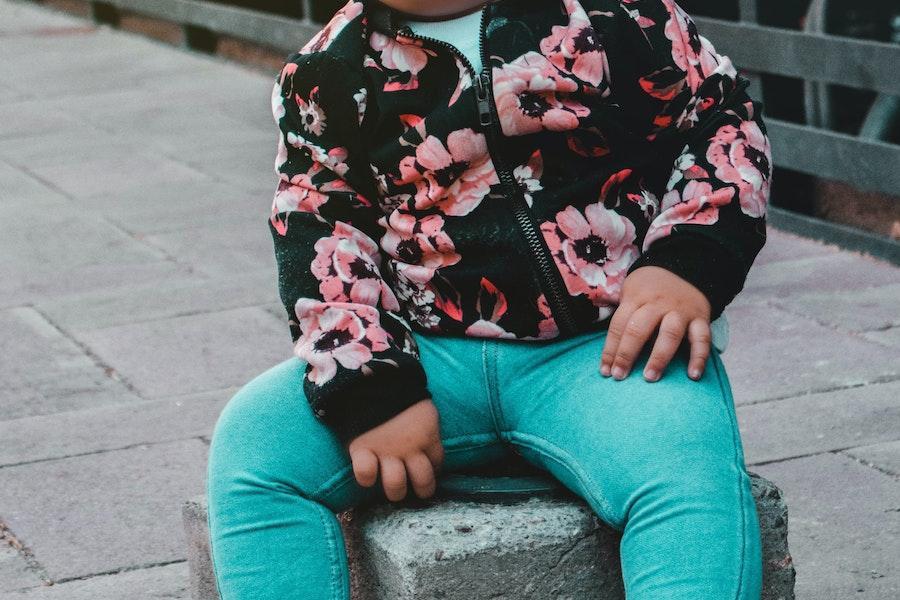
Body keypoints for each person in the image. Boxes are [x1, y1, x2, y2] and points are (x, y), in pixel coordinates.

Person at [206, 0, 772, 597]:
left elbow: (719, 117)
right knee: (254, 448)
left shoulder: (616, 16)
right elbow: (320, 224)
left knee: (684, 462)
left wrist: (684, 264)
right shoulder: (327, 70)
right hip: (429, 360)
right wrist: (369, 383)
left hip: (606, 352)